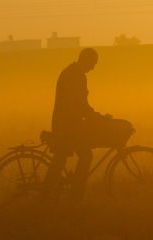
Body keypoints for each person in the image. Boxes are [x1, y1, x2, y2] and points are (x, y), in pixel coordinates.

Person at [42, 47, 108, 202]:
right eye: (93, 63)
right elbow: (78, 104)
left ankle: (50, 192)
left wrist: (91, 114)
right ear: (85, 61)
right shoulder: (75, 76)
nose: (93, 68)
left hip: (67, 123)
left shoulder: (72, 72)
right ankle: (75, 192)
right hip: (67, 126)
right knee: (83, 155)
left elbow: (80, 103)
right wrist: (94, 116)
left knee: (61, 158)